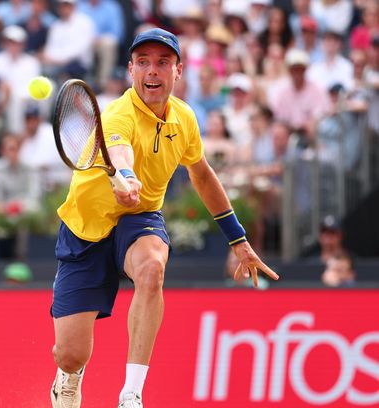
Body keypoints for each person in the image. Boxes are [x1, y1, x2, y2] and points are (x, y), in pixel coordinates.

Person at [49, 28, 279, 408]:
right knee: (71, 354)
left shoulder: (184, 118)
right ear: (130, 70)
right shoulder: (117, 115)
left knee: (152, 268)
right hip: (85, 228)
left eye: (162, 62)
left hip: (139, 217)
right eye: (143, 63)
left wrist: (238, 239)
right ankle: (68, 377)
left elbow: (201, 174)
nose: (152, 71)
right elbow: (120, 154)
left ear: (178, 71)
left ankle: (131, 394)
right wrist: (126, 178)